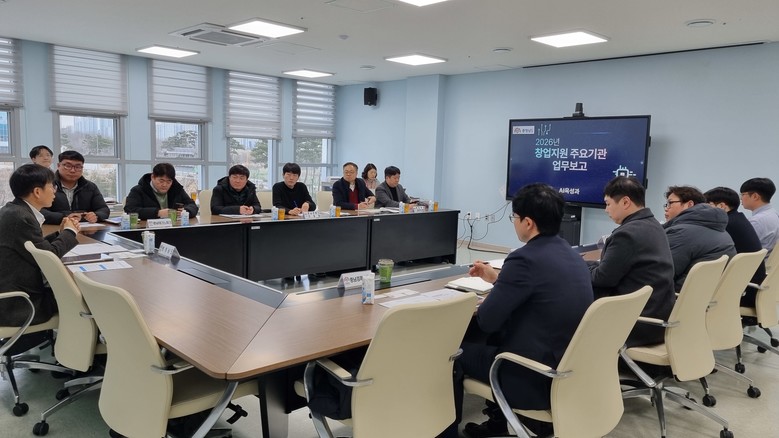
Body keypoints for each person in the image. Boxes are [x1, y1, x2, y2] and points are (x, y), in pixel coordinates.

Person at [443, 183, 593, 438]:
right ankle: (497, 423)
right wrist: (498, 279)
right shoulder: (572, 255)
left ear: (528, 223)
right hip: (568, 370)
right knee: (495, 337)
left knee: (453, 353)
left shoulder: (523, 259)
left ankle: (447, 432)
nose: (514, 222)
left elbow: (487, 320)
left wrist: (499, 288)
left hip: (531, 377)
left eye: (514, 217)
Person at [587, 176, 675, 347]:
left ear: (625, 202)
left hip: (634, 323)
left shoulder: (626, 234)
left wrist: (579, 268)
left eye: (608, 204)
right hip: (656, 315)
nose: (606, 210)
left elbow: (602, 278)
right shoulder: (654, 225)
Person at [0, 164, 80, 327]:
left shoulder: (14, 210)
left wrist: (61, 233)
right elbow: (48, 258)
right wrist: (70, 232)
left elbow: (35, 247)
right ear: (37, 192)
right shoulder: (21, 218)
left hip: (14, 293)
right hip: (19, 305)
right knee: (87, 298)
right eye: (52, 186)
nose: (55, 191)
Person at [663, 185, 736, 291]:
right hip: (705, 294)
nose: (666, 208)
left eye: (670, 203)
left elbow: (663, 273)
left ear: (689, 204)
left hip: (679, 295)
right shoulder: (720, 229)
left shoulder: (681, 233)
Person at [705, 186, 767, 307]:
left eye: (707, 205)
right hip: (751, 288)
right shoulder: (738, 219)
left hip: (742, 293)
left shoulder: (726, 225)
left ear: (722, 206)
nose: (703, 210)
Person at [41, 150, 110, 225]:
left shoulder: (90, 187)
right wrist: (65, 217)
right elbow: (40, 211)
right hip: (55, 228)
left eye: (78, 167)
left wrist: (96, 216)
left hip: (85, 229)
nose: (73, 170)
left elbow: (104, 209)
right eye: (68, 166)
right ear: (58, 165)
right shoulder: (46, 185)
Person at [124, 163, 198, 220]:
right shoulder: (138, 190)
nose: (165, 185)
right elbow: (130, 210)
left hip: (174, 228)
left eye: (169, 181)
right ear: (153, 177)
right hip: (148, 229)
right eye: (161, 181)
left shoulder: (176, 189)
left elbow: (192, 205)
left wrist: (185, 211)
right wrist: (158, 213)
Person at [740, 177, 779, 257]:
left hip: (757, 262)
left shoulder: (756, 222)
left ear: (755, 196)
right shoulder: (774, 214)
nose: (741, 198)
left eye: (743, 194)